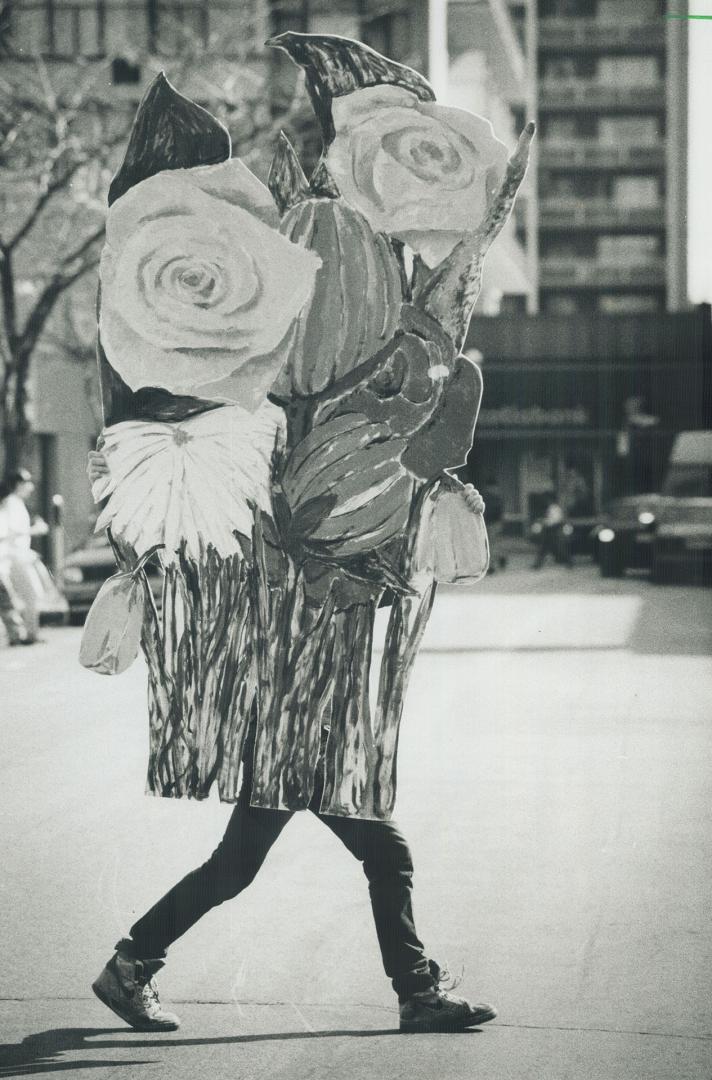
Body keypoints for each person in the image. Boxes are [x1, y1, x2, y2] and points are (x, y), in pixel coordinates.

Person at [87, 448, 497, 1035]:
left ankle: (131, 962)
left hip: (292, 729)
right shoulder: (275, 537)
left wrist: (440, 502)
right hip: (290, 732)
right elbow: (373, 590)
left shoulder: (286, 531)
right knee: (377, 856)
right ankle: (418, 993)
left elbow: (376, 590)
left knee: (238, 867)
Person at [0, 470, 48, 644]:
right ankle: (30, 634)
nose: (32, 486)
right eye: (28, 482)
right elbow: (8, 531)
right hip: (14, 557)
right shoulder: (12, 503)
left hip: (18, 556)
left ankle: (28, 633)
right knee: (31, 594)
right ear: (19, 484)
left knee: (29, 595)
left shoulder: (14, 503)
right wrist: (37, 529)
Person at [532, 494, 571, 570]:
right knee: (545, 547)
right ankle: (538, 564)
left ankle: (568, 561)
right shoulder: (551, 508)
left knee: (556, 547)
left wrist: (544, 522)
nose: (546, 501)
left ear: (551, 499)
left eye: (547, 499)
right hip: (550, 530)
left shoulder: (555, 508)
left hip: (553, 530)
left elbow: (556, 520)